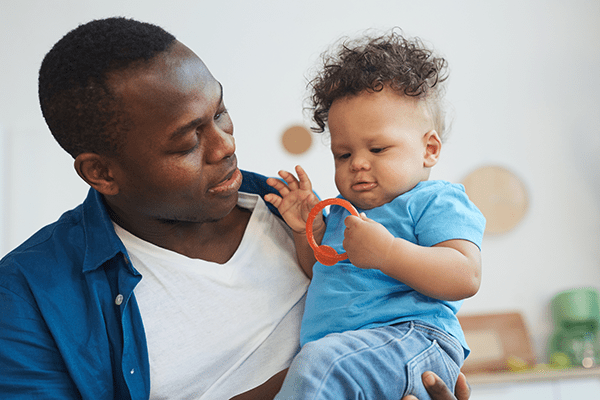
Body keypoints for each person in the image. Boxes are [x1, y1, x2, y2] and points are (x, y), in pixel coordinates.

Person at [0, 18, 471, 400]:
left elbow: (402, 300)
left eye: (220, 113)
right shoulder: (28, 296)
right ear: (101, 172)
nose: (225, 146)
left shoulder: (299, 210)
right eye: (187, 141)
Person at [264, 30, 485, 399]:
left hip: (414, 339)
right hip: (353, 353)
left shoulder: (435, 200)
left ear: (429, 149)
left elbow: (466, 274)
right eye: (343, 154)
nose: (358, 164)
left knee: (319, 364)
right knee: (318, 364)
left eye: (378, 148)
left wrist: (388, 253)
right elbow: (320, 271)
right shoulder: (342, 212)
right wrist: (308, 231)